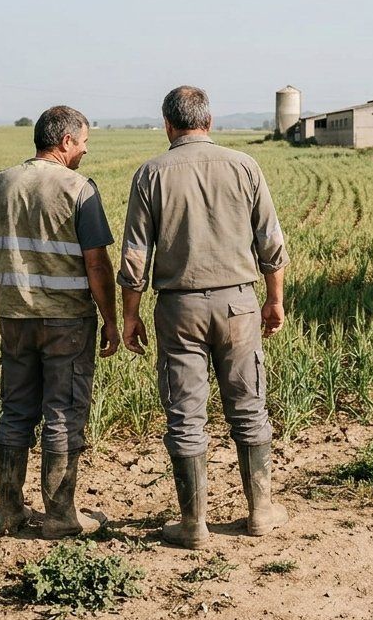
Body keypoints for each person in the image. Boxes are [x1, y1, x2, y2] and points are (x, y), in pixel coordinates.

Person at [118, 85, 289, 549]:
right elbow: (271, 244)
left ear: (168, 125)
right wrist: (274, 301)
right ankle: (260, 513)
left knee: (185, 416)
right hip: (239, 305)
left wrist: (130, 316)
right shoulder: (245, 166)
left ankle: (194, 524)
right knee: (249, 407)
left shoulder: (151, 173)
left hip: (179, 309)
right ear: (208, 123)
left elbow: (135, 256)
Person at [0, 105, 119, 538]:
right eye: (82, 143)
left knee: (15, 411)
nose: (84, 151)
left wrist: (5, 302)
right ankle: (60, 516)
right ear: (64, 142)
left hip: (14, 316)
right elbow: (97, 263)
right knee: (63, 413)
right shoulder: (78, 187)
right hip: (67, 321)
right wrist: (111, 320)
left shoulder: (0, 183)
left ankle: (9, 512)